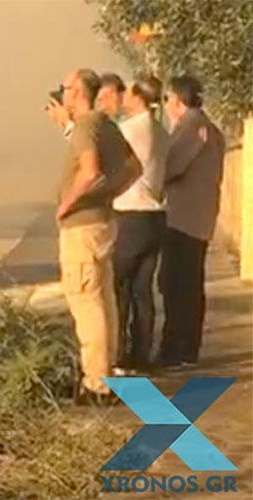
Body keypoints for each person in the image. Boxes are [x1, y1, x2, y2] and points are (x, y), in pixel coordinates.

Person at [54, 69, 140, 405]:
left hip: (82, 228)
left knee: (86, 303)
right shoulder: (106, 124)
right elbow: (135, 168)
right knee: (102, 301)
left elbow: (89, 171)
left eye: (64, 89)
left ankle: (97, 384)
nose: (61, 95)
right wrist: (109, 194)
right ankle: (104, 372)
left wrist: (67, 204)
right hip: (102, 221)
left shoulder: (87, 126)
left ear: (76, 92)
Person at [156, 75, 225, 368]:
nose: (166, 106)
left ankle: (178, 348)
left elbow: (171, 166)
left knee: (177, 284)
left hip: (185, 218)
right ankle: (185, 347)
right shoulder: (208, 127)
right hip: (197, 216)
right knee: (187, 283)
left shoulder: (192, 126)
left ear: (177, 99)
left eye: (167, 99)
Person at [112, 75, 170, 373]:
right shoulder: (161, 131)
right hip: (155, 215)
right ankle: (142, 354)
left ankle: (119, 354)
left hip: (131, 214)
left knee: (119, 287)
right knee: (142, 290)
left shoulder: (130, 129)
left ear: (136, 95)